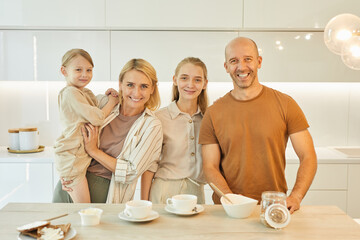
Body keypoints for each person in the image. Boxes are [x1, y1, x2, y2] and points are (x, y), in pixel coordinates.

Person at [199, 37, 317, 213]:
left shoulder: (285, 104)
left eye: (248, 59)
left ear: (259, 62)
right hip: (227, 208)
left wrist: (296, 196)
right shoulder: (213, 112)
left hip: (272, 207)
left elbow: (308, 156)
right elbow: (210, 167)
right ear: (226, 67)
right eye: (234, 61)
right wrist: (233, 201)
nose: (241, 67)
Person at [53, 58, 163, 203]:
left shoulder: (151, 125)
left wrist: (94, 151)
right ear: (120, 84)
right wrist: (67, 170)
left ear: (152, 89)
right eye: (130, 85)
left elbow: (130, 172)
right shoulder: (102, 103)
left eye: (144, 86)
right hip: (70, 185)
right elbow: (72, 128)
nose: (136, 93)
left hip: (105, 194)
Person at [54, 48, 119, 203]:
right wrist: (111, 102)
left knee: (83, 210)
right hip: (72, 159)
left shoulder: (82, 92)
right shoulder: (70, 93)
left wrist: (107, 94)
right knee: (84, 208)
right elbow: (97, 117)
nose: (84, 74)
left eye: (89, 70)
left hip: (77, 158)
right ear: (64, 71)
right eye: (78, 69)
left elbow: (94, 107)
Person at [149, 57, 208, 204]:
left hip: (196, 192)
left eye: (197, 80)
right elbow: (149, 166)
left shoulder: (209, 120)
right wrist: (145, 203)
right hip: (164, 192)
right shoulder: (158, 118)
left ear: (205, 84)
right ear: (175, 80)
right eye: (184, 78)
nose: (190, 84)